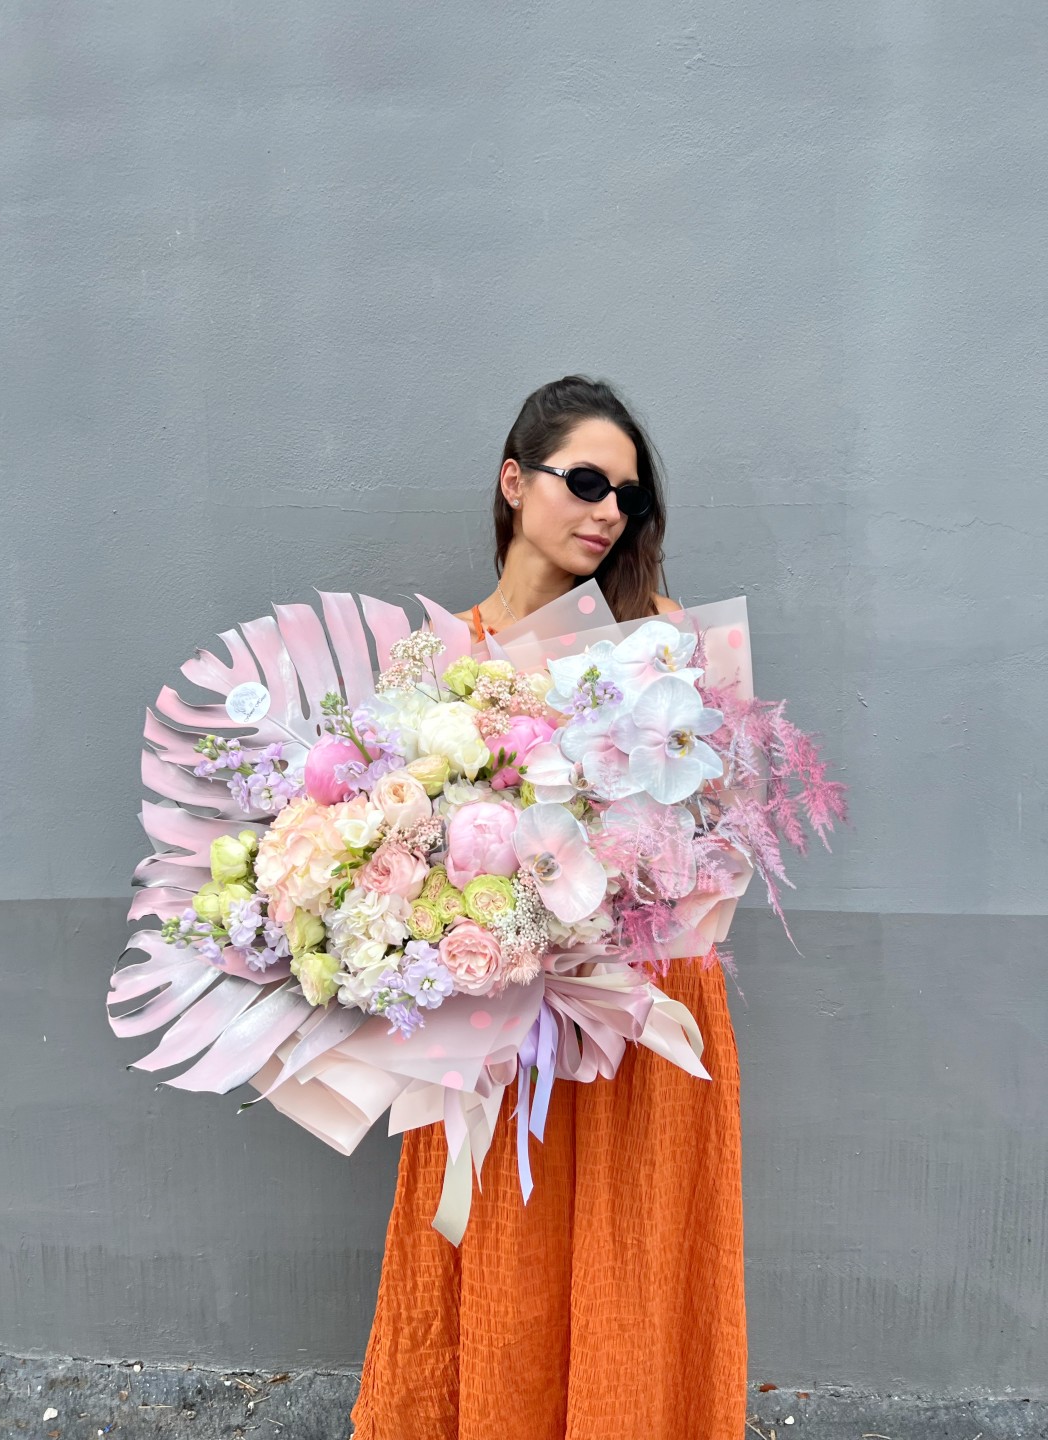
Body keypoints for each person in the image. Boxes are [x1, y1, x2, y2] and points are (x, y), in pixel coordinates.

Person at [350, 375, 747, 1440]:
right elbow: (395, 858)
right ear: (514, 482)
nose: (607, 510)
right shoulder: (435, 662)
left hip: (643, 1014)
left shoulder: (661, 641)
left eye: (626, 493)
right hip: (495, 1038)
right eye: (583, 481)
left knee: (634, 1271)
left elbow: (723, 828)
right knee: (504, 1274)